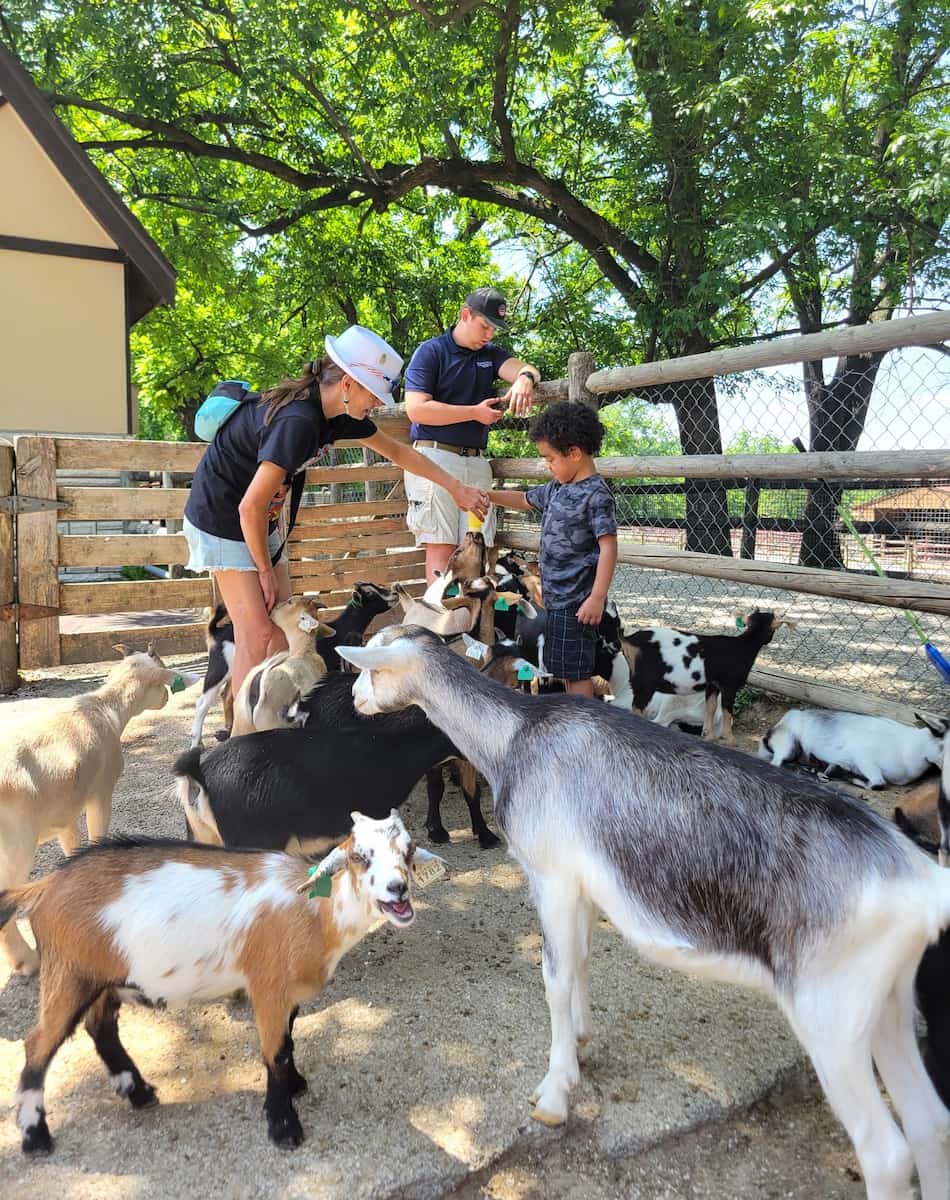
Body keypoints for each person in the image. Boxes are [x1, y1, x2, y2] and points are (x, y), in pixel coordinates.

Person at [183, 324, 489, 695]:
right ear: (347, 384)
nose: (377, 403)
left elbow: (399, 452)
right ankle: (242, 737)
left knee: (284, 626)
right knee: (257, 633)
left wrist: (457, 488)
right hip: (223, 518)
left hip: (260, 518)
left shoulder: (339, 416)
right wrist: (263, 570)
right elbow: (249, 505)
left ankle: (274, 717)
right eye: (373, 394)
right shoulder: (298, 420)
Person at [403, 287, 541, 582]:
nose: (489, 334)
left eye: (494, 328)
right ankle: (441, 626)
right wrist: (473, 413)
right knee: (442, 549)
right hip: (434, 457)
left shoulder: (490, 355)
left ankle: (471, 627)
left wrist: (525, 379)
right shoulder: (431, 351)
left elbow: (527, 369)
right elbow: (417, 410)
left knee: (475, 551)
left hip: (476, 462)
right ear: (465, 315)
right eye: (485, 325)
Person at [489, 401, 618, 697]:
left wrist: (597, 598)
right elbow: (523, 498)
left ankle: (585, 730)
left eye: (550, 458)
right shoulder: (557, 487)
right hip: (555, 599)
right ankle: (575, 724)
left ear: (574, 453)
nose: (547, 465)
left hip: (578, 602)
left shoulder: (596, 495)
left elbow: (608, 548)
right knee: (563, 668)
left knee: (576, 673)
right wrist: (487, 495)